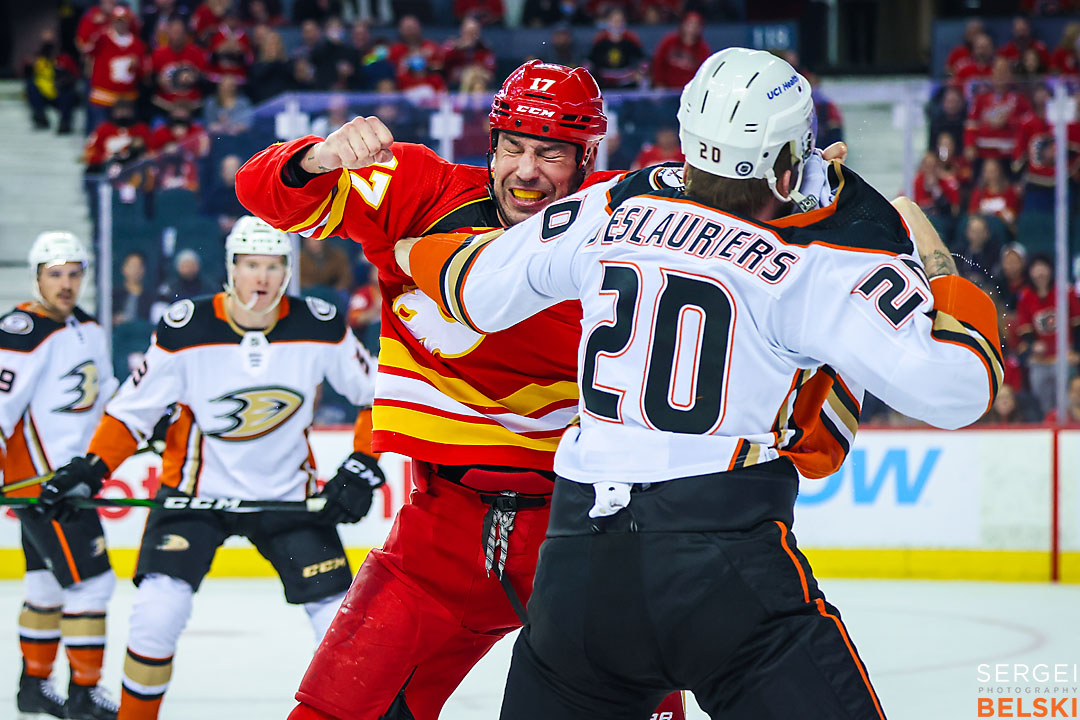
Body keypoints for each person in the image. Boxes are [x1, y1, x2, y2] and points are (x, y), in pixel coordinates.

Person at [395, 48, 1002, 720]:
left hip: (576, 574)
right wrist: (931, 257)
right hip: (723, 568)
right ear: (784, 160)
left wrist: (408, 249)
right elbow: (959, 389)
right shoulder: (818, 260)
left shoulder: (610, 205)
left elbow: (472, 287)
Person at [236, 60, 687, 720]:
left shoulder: (634, 228)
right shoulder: (417, 187)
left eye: (550, 154)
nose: (526, 171)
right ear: (491, 144)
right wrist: (314, 160)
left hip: (588, 537)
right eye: (514, 147)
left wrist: (821, 207)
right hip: (436, 538)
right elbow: (262, 193)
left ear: (586, 159)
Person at [38, 217, 381, 720]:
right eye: (249, 266)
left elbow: (380, 396)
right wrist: (90, 469)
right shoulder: (185, 329)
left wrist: (361, 465)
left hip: (286, 497)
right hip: (194, 497)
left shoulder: (321, 326)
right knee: (156, 615)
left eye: (271, 265)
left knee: (339, 621)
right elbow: (130, 413)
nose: (260, 278)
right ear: (230, 270)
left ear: (287, 271)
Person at [1, 232, 120, 719]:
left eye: (74, 273)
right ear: (37, 277)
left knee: (46, 586)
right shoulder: (20, 330)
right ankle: (84, 694)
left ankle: (33, 688)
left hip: (74, 479)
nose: (66, 284)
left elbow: (107, 394)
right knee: (93, 584)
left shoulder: (87, 326)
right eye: (55, 274)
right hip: (44, 486)